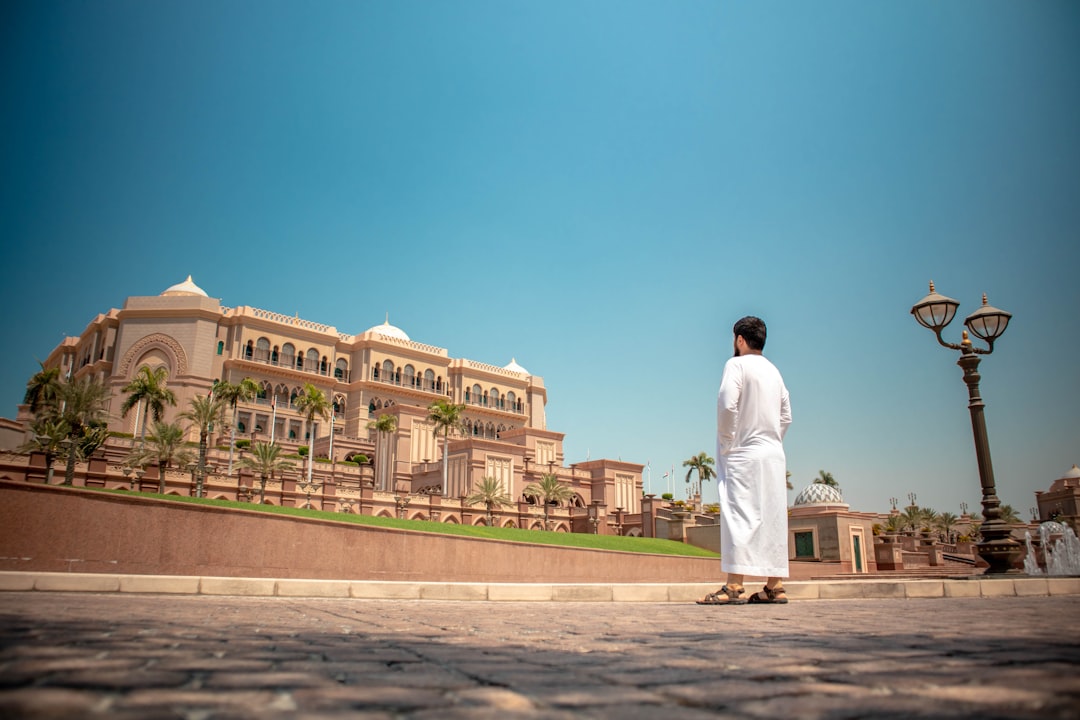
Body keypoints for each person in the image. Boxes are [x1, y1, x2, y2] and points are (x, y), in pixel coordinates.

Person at [698, 316, 792, 605]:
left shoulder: (735, 365)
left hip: (743, 453)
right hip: (773, 454)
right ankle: (774, 587)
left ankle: (734, 586)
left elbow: (727, 403)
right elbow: (786, 415)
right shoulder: (774, 372)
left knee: (739, 516)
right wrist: (773, 439)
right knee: (772, 519)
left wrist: (729, 441)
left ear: (740, 339)